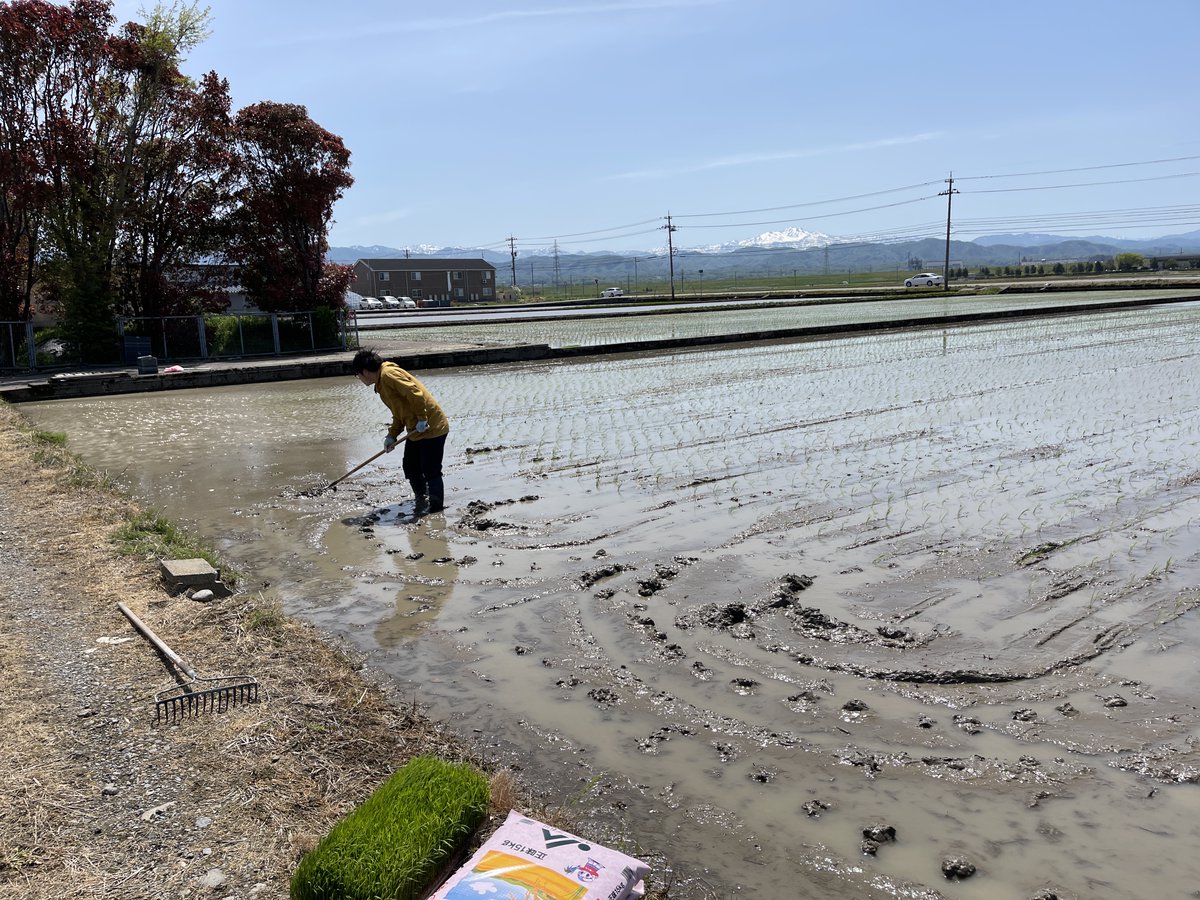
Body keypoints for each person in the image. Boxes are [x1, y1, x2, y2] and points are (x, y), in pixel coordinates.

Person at [351, 349, 449, 514]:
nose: (359, 379)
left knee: (431, 470)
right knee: (411, 466)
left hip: (431, 427)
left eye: (357, 375)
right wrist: (391, 436)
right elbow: (399, 413)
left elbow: (414, 393)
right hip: (416, 430)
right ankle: (422, 498)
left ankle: (436, 510)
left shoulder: (389, 375)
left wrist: (422, 418)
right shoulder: (381, 383)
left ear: (365, 372)